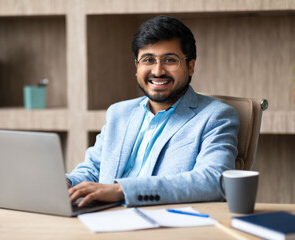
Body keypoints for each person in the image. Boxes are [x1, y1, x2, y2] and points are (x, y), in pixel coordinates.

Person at [67, 15, 239, 207]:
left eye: (170, 60)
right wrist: (66, 183)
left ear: (190, 67)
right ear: (137, 66)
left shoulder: (216, 116)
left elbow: (213, 181)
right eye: (148, 60)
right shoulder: (119, 113)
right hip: (102, 218)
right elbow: (91, 171)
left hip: (165, 224)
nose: (158, 71)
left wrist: (121, 190)